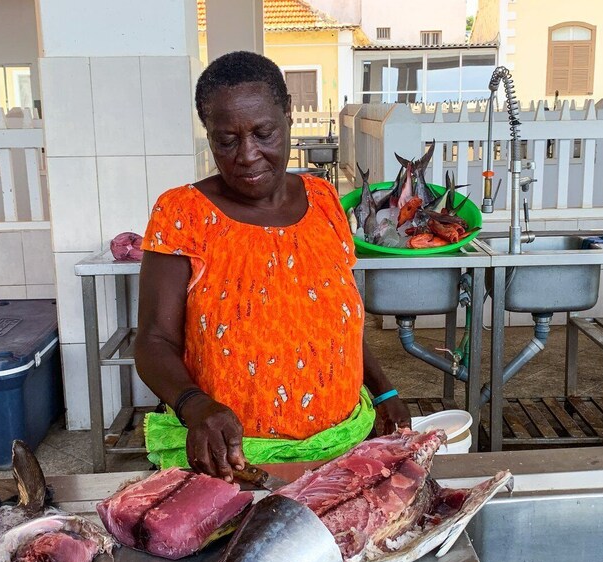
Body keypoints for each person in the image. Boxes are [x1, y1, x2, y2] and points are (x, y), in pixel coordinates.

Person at [135, 51, 411, 481]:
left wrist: (383, 390)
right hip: (236, 461)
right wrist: (195, 405)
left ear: (288, 119)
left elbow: (337, 319)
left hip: (345, 444)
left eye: (264, 133)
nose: (247, 155)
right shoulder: (183, 214)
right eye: (226, 140)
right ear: (208, 135)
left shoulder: (323, 202)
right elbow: (153, 341)